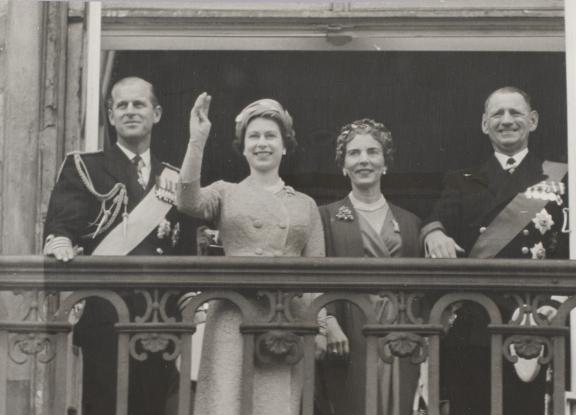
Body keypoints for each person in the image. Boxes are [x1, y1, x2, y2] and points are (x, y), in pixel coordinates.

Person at [177, 93, 347, 415]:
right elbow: (188, 201)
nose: (262, 143)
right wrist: (196, 142)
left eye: (271, 136)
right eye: (253, 136)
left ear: (285, 146)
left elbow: (317, 272)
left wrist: (321, 328)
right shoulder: (226, 192)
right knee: (226, 402)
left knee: (276, 405)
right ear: (243, 147)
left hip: (285, 322)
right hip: (232, 315)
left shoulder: (305, 204)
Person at [43, 76, 193, 415]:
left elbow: (185, 248)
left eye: (138, 104)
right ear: (110, 117)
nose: (129, 111)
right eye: (121, 106)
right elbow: (62, 224)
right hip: (104, 314)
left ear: (156, 113)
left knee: (152, 407)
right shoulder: (84, 167)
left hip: (159, 316)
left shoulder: (174, 178)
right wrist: (61, 242)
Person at [421, 86, 569, 415]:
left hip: (531, 319)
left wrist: (553, 307)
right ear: (484, 124)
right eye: (497, 114)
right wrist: (434, 233)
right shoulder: (462, 181)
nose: (506, 120)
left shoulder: (558, 179)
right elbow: (435, 218)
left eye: (515, 113)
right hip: (474, 322)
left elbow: (570, 249)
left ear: (532, 121)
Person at [318, 119, 424, 415]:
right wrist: (328, 323)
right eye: (354, 153)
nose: (363, 159)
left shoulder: (409, 221)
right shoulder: (325, 217)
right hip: (351, 329)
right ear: (343, 165)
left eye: (372, 152)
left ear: (385, 163)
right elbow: (315, 277)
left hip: (400, 330)